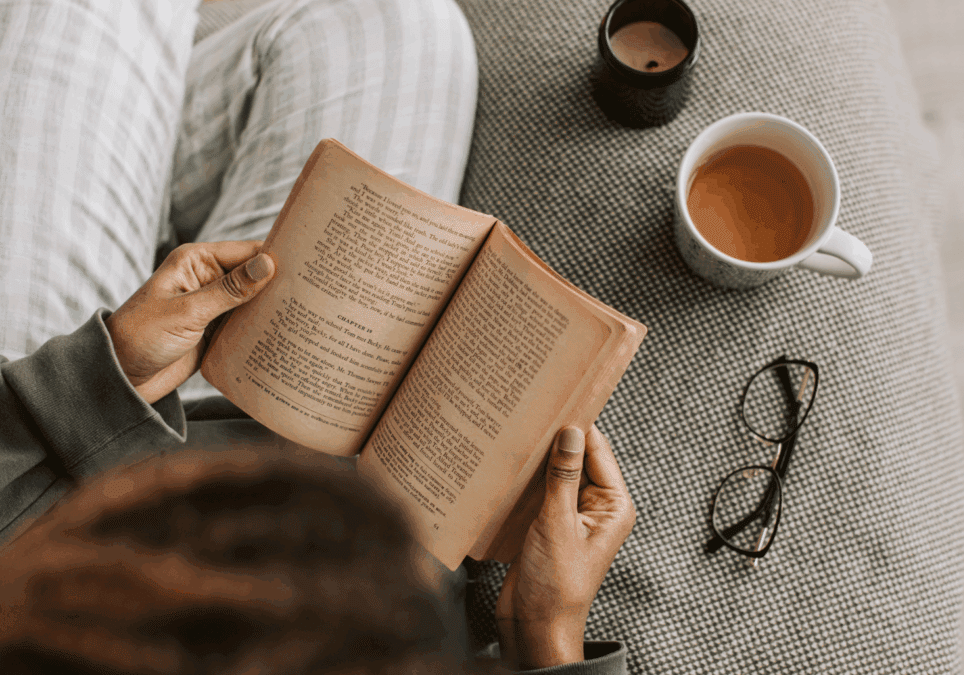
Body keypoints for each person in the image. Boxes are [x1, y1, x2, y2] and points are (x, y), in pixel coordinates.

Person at [0, 0, 635, 672]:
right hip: (356, 507)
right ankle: (156, 153)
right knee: (404, 26)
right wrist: (546, 634)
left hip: (49, 484)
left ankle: (152, 151)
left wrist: (98, 383)